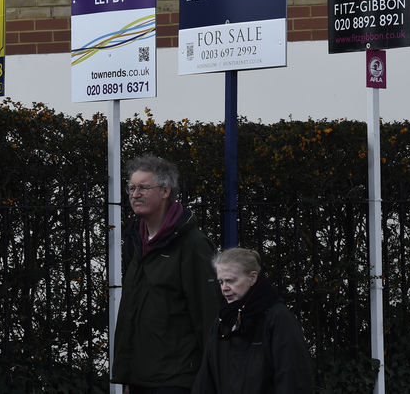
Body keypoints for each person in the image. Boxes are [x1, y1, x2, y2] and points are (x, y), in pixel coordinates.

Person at [112, 155, 222, 394]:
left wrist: (212, 380)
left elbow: (208, 313)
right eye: (131, 187)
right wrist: (127, 375)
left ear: (165, 191)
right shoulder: (136, 241)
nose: (134, 193)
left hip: (176, 380)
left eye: (143, 187)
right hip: (140, 379)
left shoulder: (193, 245)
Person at [192, 247, 314, 394]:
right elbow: (206, 380)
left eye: (231, 280)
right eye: (221, 282)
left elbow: (293, 378)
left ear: (253, 277)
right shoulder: (222, 322)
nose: (224, 288)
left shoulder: (277, 318)